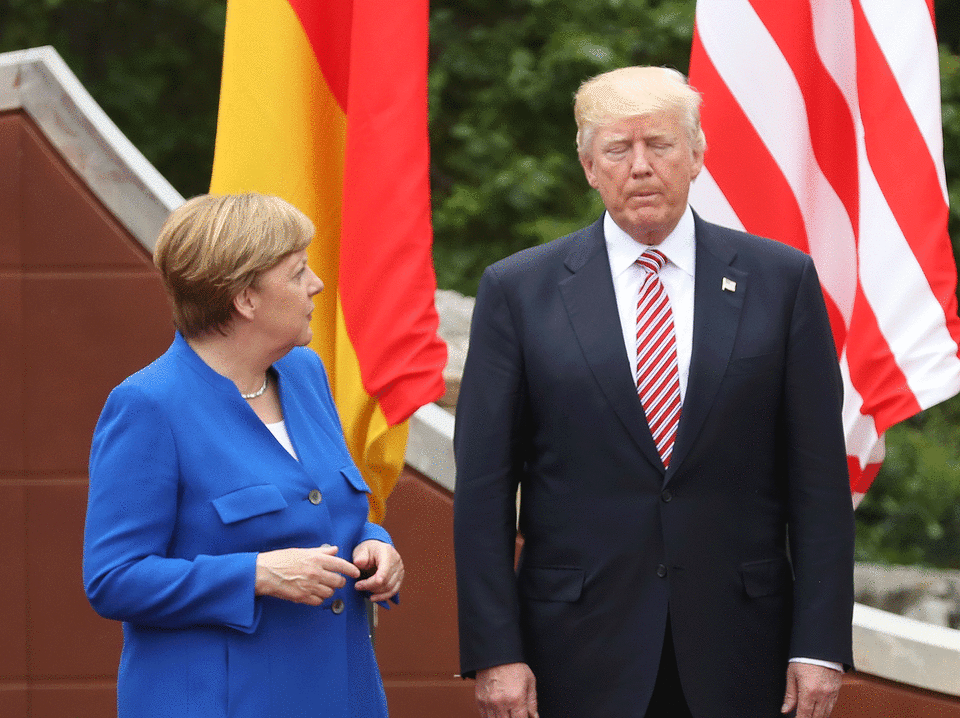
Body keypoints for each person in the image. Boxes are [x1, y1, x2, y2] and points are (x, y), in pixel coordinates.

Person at [453, 66, 855, 718]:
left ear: (696, 156)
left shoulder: (781, 282)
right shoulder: (518, 292)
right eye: (618, 148)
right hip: (575, 650)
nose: (640, 166)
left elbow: (819, 485)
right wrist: (495, 650)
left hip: (743, 650)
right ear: (588, 166)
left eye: (660, 145)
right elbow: (482, 491)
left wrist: (820, 645)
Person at [84, 193, 403, 718]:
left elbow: (326, 504)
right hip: (222, 702)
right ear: (244, 299)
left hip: (343, 695)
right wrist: (255, 573)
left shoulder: (304, 373)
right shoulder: (148, 406)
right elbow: (113, 579)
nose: (316, 285)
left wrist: (374, 543)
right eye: (297, 272)